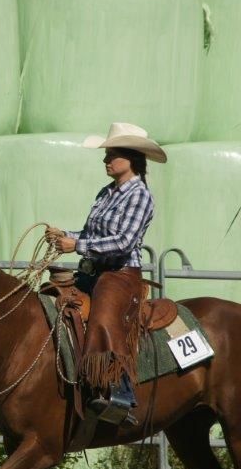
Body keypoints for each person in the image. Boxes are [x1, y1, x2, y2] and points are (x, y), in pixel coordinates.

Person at [46, 122, 166, 427]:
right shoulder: (106, 193)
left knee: (103, 317)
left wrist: (76, 245)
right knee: (52, 300)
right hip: (94, 269)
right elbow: (90, 235)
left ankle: (118, 393)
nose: (106, 160)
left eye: (112, 155)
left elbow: (123, 242)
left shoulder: (140, 195)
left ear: (131, 158)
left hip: (120, 273)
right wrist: (65, 236)